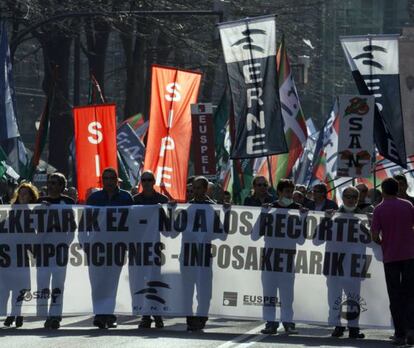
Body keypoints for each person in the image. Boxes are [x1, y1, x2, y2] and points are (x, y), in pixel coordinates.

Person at [86, 167, 133, 329]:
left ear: (116, 179)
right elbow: (85, 222)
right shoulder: (94, 198)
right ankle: (99, 314)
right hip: (97, 247)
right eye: (105, 178)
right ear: (102, 181)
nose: (109, 181)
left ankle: (110, 315)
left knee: (112, 282)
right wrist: (85, 243)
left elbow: (132, 222)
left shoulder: (126, 197)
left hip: (117, 247)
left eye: (111, 178)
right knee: (98, 282)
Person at [371, 178, 414, 346]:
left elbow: (375, 236)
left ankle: (400, 334)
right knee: (410, 294)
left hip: (391, 257)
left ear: (383, 190)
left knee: (395, 296)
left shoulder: (379, 209)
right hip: (410, 255)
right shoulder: (408, 205)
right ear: (397, 189)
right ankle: (412, 330)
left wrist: (384, 242)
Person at [260, 179, 300, 335]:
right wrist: (263, 214)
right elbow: (255, 234)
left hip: (288, 258)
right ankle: (270, 323)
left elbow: (302, 238)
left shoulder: (298, 210)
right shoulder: (270, 209)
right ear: (279, 193)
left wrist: (303, 218)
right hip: (270, 258)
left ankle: (288, 322)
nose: (289, 194)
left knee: (287, 294)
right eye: (286, 191)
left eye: (291, 191)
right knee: (269, 293)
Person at [37, 173, 75, 329]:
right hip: (43, 249)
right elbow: (32, 224)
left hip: (60, 249)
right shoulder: (40, 201)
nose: (51, 185)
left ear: (61, 186)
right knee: (43, 281)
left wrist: (66, 243)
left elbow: (72, 227)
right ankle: (43, 313)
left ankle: (55, 315)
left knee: (58, 282)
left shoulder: (67, 202)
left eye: (55, 183)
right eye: (50, 182)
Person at [133, 170, 168, 329]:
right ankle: (145, 316)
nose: (146, 182)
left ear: (153, 182)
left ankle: (158, 315)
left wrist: (167, 210)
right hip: (138, 248)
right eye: (144, 180)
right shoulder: (134, 201)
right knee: (141, 282)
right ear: (141, 182)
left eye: (149, 180)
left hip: (155, 248)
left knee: (155, 281)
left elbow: (168, 228)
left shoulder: (162, 200)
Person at [2, 182, 39, 328]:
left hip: (22, 253)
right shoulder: (10, 210)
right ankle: (8, 314)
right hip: (7, 254)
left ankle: (17, 314)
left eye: (26, 193)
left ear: (31, 197)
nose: (23, 196)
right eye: (21, 193)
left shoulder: (35, 212)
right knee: (5, 287)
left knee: (19, 287)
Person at [330, 186, 365, 339]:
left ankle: (353, 328)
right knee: (334, 295)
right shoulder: (333, 215)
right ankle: (337, 326)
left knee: (353, 296)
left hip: (354, 263)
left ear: (358, 199)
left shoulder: (363, 216)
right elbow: (318, 238)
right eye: (348, 196)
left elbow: (370, 240)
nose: (351, 199)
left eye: (354, 197)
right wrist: (325, 219)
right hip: (335, 262)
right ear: (342, 198)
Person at [185, 176, 216, 332]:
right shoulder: (187, 207)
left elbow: (221, 233)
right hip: (188, 254)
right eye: (193, 188)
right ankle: (190, 319)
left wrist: (228, 213)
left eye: (198, 188)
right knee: (188, 289)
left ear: (205, 189)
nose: (195, 191)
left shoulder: (213, 208)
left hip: (204, 254)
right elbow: (176, 229)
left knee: (204, 290)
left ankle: (202, 317)